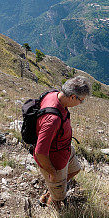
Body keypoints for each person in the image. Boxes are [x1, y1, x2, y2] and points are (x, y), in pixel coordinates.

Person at [33, 75, 91, 210]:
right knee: (58, 199)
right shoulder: (52, 119)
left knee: (75, 169)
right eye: (81, 101)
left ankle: (51, 192)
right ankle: (54, 210)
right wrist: (52, 172)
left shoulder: (54, 95)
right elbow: (40, 152)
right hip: (55, 161)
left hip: (65, 150)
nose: (80, 104)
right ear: (72, 97)